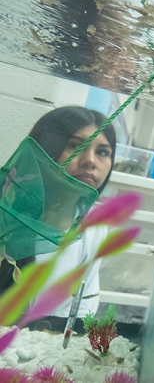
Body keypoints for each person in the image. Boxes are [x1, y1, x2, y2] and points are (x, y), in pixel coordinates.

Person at [0, 106, 116, 317]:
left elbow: (83, 307)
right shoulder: (6, 212)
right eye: (74, 146)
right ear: (45, 149)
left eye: (102, 152)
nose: (90, 160)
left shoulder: (96, 224)